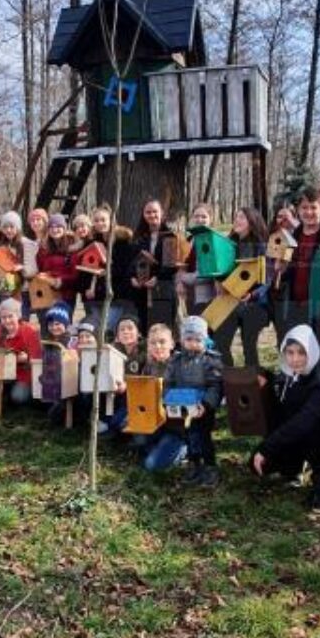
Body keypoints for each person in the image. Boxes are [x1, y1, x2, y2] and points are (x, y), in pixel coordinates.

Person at [249, 324, 320, 511]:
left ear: (311, 352)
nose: (295, 359)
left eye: (301, 353)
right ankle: (293, 468)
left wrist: (267, 448)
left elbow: (304, 421)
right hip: (296, 436)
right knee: (258, 465)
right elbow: (283, 409)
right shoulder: (289, 376)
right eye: (290, 353)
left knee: (313, 438)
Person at [271, 188, 320, 385]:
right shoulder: (292, 236)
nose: (309, 212)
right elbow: (287, 271)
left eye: (313, 207)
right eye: (304, 208)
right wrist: (281, 268)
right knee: (299, 351)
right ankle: (299, 391)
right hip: (296, 304)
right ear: (298, 210)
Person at [143, 316, 223, 484]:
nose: (193, 343)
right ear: (182, 340)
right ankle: (193, 464)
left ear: (205, 340)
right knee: (189, 436)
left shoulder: (210, 360)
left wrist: (206, 404)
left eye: (197, 340)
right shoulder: (176, 361)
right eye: (189, 339)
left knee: (203, 437)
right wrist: (169, 398)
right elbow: (168, 382)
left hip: (202, 409)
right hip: (182, 406)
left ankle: (210, 466)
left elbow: (215, 385)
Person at [210, 207, 271, 369]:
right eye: (236, 217)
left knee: (249, 345)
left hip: (255, 304)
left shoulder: (261, 246)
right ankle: (228, 377)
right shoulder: (229, 245)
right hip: (230, 302)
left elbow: (267, 281)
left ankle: (252, 379)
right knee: (220, 343)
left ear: (252, 221)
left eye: (242, 217)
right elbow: (221, 272)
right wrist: (219, 281)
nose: (237, 220)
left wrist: (252, 295)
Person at [116, 199, 182, 331]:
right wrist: (132, 278)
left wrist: (157, 278)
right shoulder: (139, 237)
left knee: (161, 329)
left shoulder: (170, 236)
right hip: (141, 292)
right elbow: (131, 262)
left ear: (161, 213)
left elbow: (170, 265)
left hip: (163, 290)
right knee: (143, 329)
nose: (152, 215)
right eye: (148, 212)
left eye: (155, 212)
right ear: (143, 214)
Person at [0, 297, 43, 406]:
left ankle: (25, 396)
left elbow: (37, 359)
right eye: (3, 317)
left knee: (18, 397)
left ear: (18, 316)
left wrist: (27, 358)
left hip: (24, 375)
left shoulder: (29, 332)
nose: (7, 321)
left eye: (10, 316)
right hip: (3, 373)